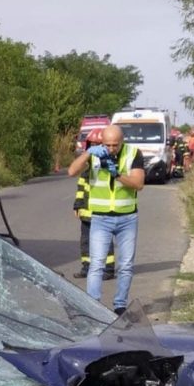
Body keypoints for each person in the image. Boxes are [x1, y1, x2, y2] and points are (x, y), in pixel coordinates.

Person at [67, 124, 145, 315]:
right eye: (107, 145)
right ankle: (93, 308)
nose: (111, 149)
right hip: (101, 218)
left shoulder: (133, 153)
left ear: (122, 141)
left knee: (126, 265)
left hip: (127, 217)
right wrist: (87, 154)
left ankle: (119, 306)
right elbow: (71, 171)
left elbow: (138, 184)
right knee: (96, 265)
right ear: (101, 142)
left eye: (115, 145)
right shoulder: (95, 154)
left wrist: (117, 174)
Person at [73, 129, 115, 279]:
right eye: (93, 144)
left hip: (102, 212)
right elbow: (81, 188)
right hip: (86, 212)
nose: (95, 147)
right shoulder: (87, 167)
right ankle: (87, 267)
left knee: (105, 241)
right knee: (86, 241)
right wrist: (78, 205)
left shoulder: (110, 164)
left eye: (98, 144)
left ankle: (108, 269)